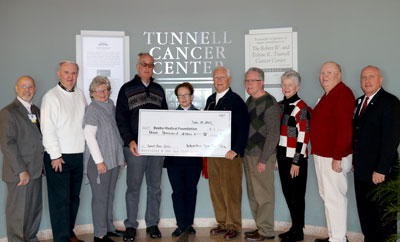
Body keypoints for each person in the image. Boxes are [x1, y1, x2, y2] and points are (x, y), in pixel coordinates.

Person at [116, 52, 168, 241]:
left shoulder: (158, 90)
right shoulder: (126, 89)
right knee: (133, 187)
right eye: (144, 64)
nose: (147, 68)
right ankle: (130, 224)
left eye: (151, 65)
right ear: (138, 66)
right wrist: (130, 140)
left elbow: (165, 119)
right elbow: (120, 118)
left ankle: (152, 224)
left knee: (155, 187)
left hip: (156, 148)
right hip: (134, 147)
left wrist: (163, 143)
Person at [353, 65, 400, 242]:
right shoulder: (359, 102)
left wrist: (381, 169)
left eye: (371, 77)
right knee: (366, 214)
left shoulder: (390, 102)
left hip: (381, 172)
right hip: (362, 170)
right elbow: (357, 135)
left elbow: (392, 139)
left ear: (380, 80)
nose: (367, 81)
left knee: (384, 217)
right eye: (363, 77)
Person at [41, 60, 87, 242]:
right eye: (66, 73)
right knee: (60, 201)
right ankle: (61, 238)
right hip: (58, 157)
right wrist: (55, 155)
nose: (70, 77)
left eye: (74, 73)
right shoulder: (51, 97)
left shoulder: (81, 95)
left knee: (73, 198)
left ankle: (69, 232)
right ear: (59, 74)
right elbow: (48, 128)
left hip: (77, 155)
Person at [309, 61, 355, 242]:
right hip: (322, 155)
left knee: (335, 199)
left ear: (339, 75)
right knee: (327, 197)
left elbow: (345, 129)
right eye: (322, 73)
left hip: (334, 157)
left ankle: (338, 239)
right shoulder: (329, 94)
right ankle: (333, 236)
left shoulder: (343, 94)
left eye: (329, 72)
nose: (324, 76)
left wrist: (338, 156)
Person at [206, 66, 250, 241]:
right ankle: (223, 222)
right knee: (216, 189)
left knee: (231, 190)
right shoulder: (210, 100)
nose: (219, 80)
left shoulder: (236, 100)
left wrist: (237, 150)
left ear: (229, 79)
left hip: (229, 154)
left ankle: (233, 225)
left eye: (222, 77)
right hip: (213, 153)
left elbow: (243, 127)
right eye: (216, 77)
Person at [0, 76, 43, 242]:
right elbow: (7, 144)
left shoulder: (36, 111)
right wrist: (21, 171)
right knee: (17, 214)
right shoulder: (8, 112)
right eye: (24, 86)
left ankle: (31, 238)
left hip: (36, 171)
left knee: (33, 210)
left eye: (30, 87)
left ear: (35, 89)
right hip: (20, 173)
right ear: (16, 88)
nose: (27, 90)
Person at [83, 76, 125, 242]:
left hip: (113, 160)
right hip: (99, 163)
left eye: (105, 89)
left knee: (109, 196)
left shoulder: (110, 106)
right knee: (100, 199)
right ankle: (99, 235)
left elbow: (114, 133)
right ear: (92, 93)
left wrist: (120, 157)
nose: (102, 93)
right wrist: (99, 161)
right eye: (98, 90)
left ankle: (108, 228)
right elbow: (89, 135)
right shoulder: (92, 109)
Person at [243, 67, 280, 241]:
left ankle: (266, 231)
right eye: (247, 81)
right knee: (253, 194)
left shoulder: (270, 103)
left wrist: (264, 159)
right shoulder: (249, 101)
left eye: (253, 81)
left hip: (262, 156)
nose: (249, 84)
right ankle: (260, 227)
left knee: (264, 194)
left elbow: (274, 134)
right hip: (248, 154)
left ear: (261, 82)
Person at [164, 82, 203, 237]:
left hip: (194, 162)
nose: (183, 98)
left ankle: (189, 224)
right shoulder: (169, 117)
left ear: (192, 96)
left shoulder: (202, 116)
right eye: (180, 95)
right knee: (178, 192)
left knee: (191, 191)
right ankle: (180, 224)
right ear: (177, 98)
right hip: (174, 162)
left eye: (186, 95)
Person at [277, 70, 311, 242]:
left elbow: (303, 137)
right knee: (288, 195)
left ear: (297, 87)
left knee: (297, 197)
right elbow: (279, 135)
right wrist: (277, 159)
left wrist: (296, 162)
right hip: (282, 159)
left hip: (295, 161)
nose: (286, 88)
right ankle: (294, 228)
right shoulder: (280, 106)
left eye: (290, 85)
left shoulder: (301, 108)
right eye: (284, 84)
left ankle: (299, 231)